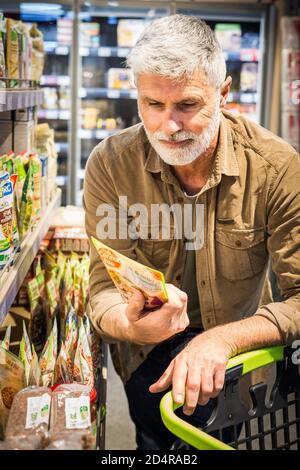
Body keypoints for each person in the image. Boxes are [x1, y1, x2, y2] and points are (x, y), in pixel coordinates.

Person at [83, 14, 300, 450]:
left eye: (187, 105)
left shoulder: (276, 169)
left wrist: (221, 339)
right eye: (152, 105)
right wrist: (128, 324)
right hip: (143, 355)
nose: (168, 126)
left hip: (237, 357)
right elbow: (102, 288)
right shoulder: (110, 164)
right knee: (154, 445)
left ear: (224, 94)